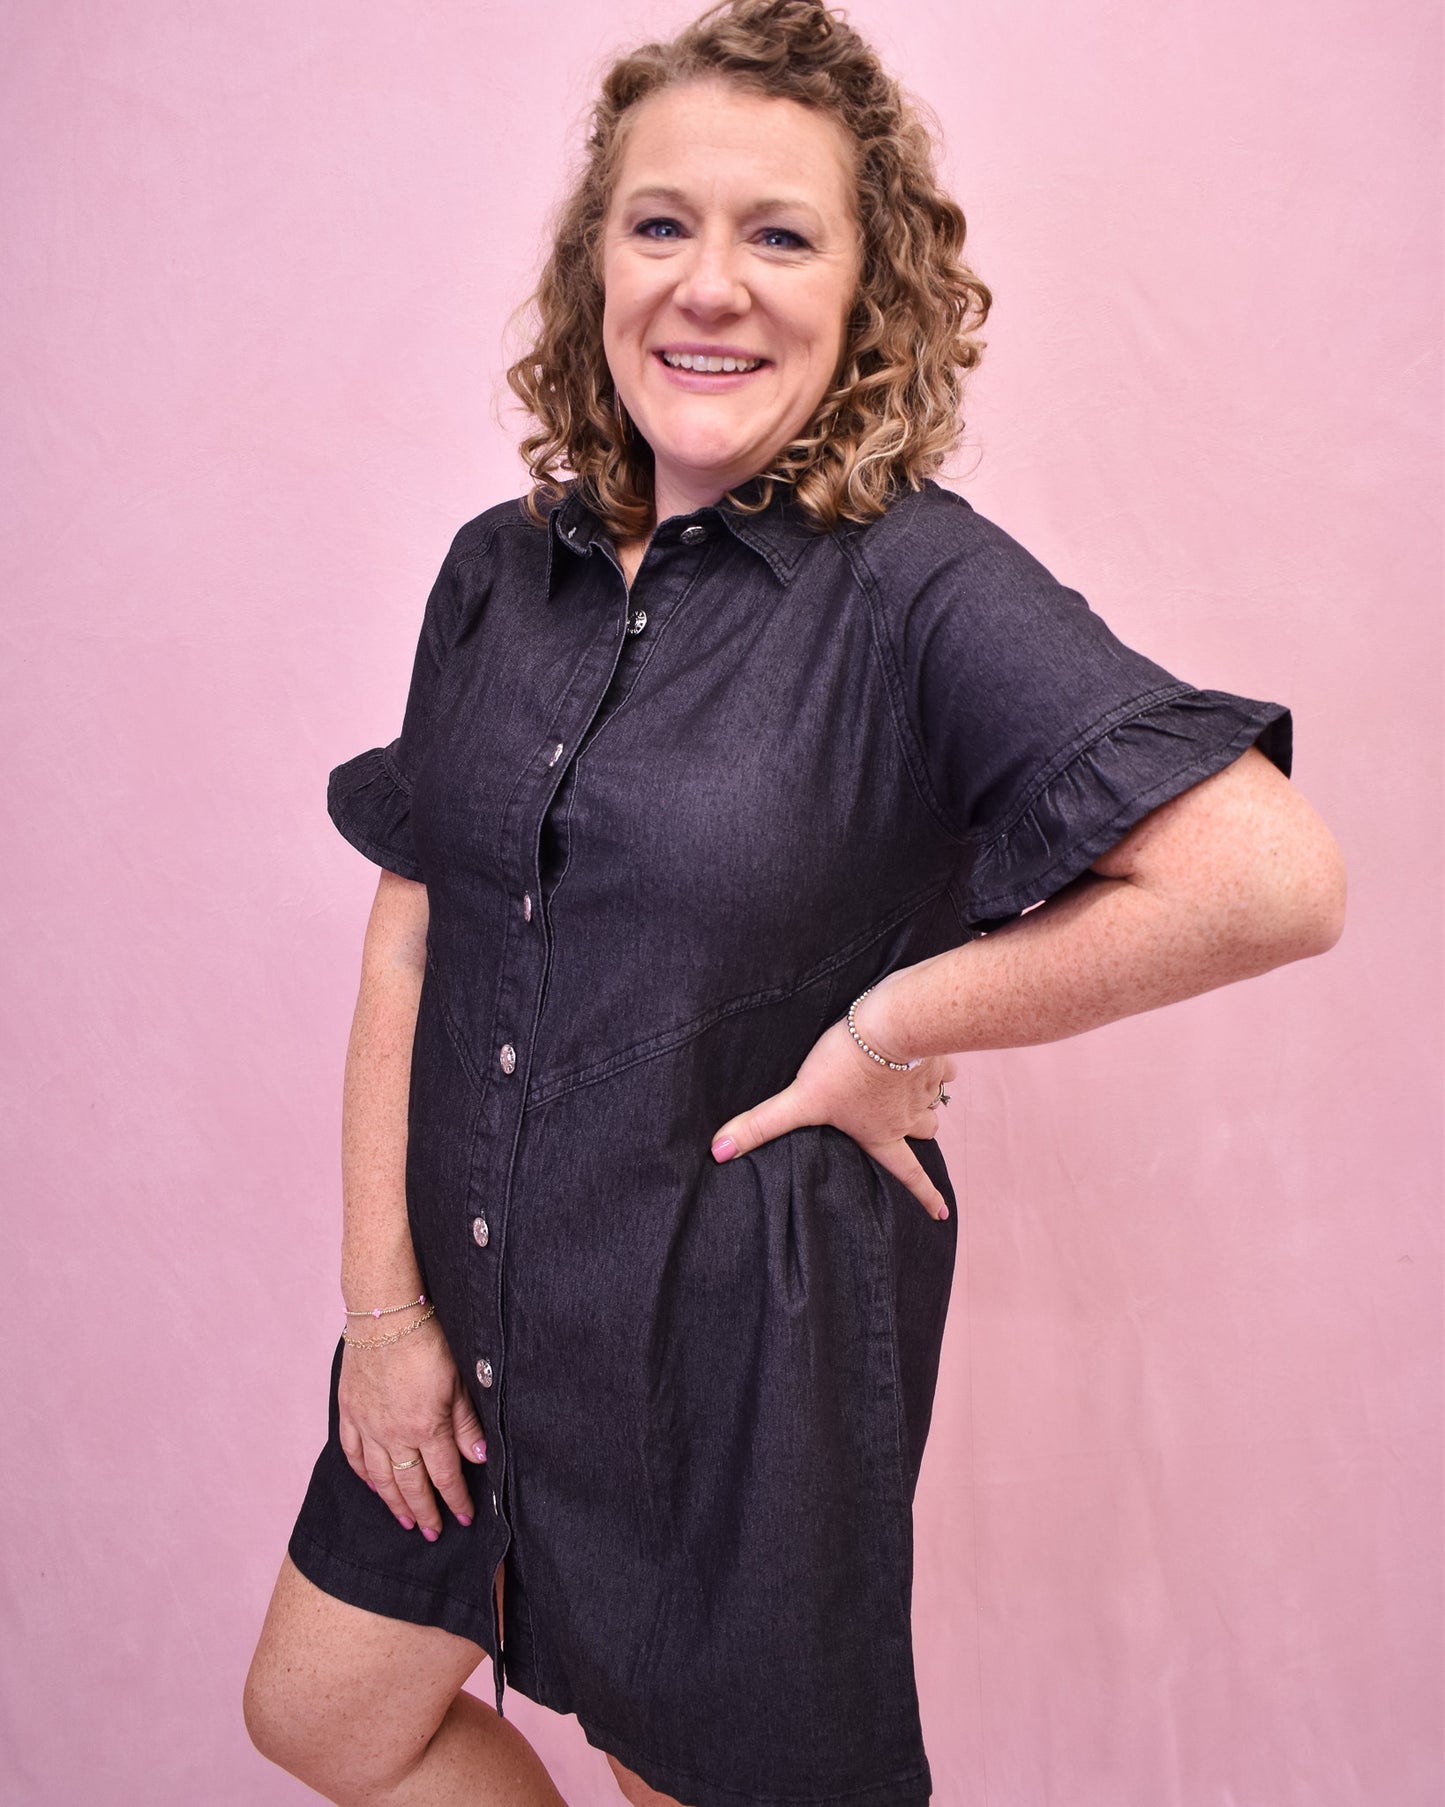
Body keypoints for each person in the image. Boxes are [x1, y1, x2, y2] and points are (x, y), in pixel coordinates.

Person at [243, 3, 1347, 1804]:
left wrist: (893, 1022)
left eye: (780, 235)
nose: (710, 284)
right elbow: (416, 926)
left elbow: (1271, 876)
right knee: (320, 1713)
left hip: (733, 1376)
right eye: (660, 223)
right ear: (594, 262)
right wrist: (384, 1313)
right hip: (474, 1321)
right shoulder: (490, 578)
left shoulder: (917, 587)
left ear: (865, 292)